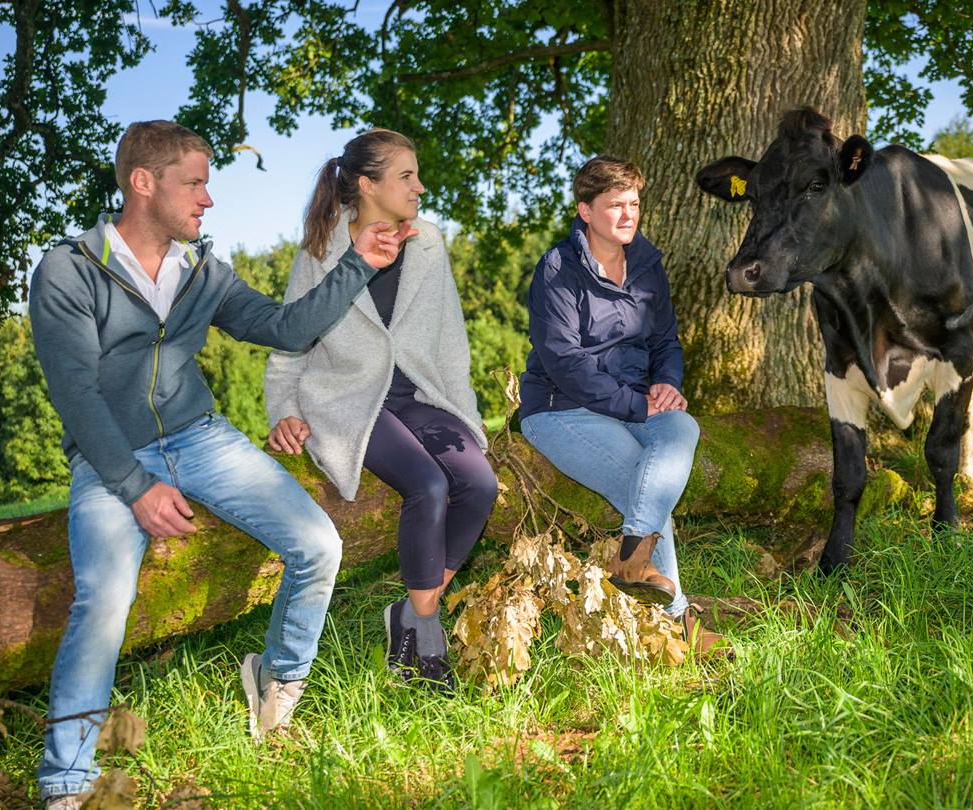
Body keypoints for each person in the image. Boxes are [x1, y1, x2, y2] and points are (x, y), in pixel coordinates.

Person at [29, 120, 412, 808]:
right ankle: (67, 783)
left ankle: (277, 685)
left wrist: (360, 261)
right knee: (106, 599)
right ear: (144, 183)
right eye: (196, 183)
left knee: (319, 544)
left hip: (201, 437)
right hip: (109, 456)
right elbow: (74, 394)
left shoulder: (202, 272)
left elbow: (287, 328)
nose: (208, 200)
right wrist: (136, 486)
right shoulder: (68, 269)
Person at [264, 129, 495, 693]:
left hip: (420, 395)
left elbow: (449, 339)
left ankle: (409, 614)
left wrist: (463, 412)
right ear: (368, 185)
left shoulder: (430, 243)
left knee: (479, 485)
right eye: (406, 177)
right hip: (347, 400)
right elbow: (291, 339)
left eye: (417, 175)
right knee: (428, 487)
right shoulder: (321, 251)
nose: (419, 186)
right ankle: (429, 633)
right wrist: (283, 409)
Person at [518, 155, 729, 657]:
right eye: (616, 205)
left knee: (683, 429)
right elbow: (565, 361)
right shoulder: (557, 269)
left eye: (634, 204)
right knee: (646, 478)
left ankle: (633, 557)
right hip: (560, 409)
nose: (628, 214)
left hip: (636, 403)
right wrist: (636, 403)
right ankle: (682, 630)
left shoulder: (649, 266)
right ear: (585, 211)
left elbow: (666, 341)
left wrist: (666, 385)